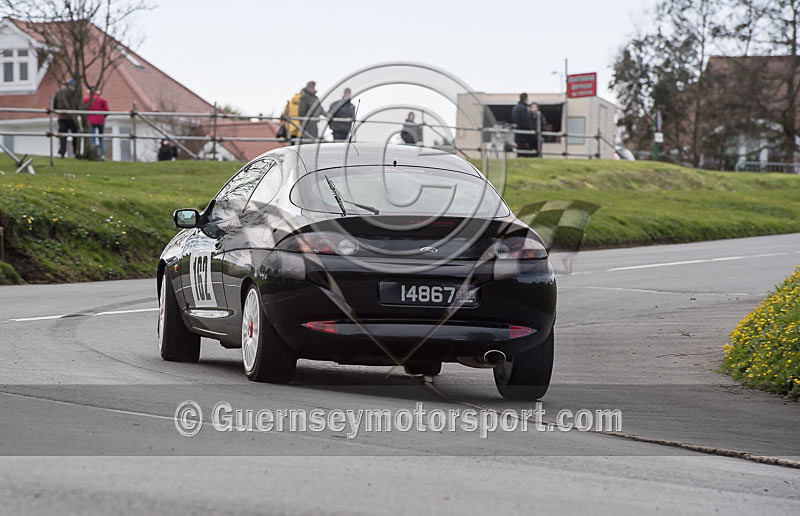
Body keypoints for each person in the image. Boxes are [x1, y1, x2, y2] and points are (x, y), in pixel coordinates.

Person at [53, 78, 80, 158]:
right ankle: (76, 152)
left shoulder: (59, 91)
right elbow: (78, 103)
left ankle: (62, 152)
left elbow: (55, 105)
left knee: (62, 135)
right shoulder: (75, 91)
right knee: (75, 135)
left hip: (62, 116)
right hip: (72, 117)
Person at [83, 90, 109, 159]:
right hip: (101, 121)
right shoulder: (102, 100)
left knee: (92, 138)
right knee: (101, 137)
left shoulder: (86, 99)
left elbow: (83, 109)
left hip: (91, 121)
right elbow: (107, 110)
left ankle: (94, 154)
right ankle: (103, 154)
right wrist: (103, 117)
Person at [511, 93, 533, 157]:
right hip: (523, 135)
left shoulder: (515, 108)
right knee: (524, 152)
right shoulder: (524, 108)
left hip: (517, 133)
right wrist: (530, 131)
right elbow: (525, 122)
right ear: (526, 99)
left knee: (520, 151)